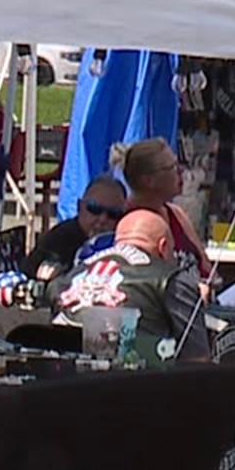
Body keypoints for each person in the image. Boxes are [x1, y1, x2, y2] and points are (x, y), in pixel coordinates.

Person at [51, 209, 210, 364]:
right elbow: (196, 362)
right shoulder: (170, 278)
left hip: (64, 382)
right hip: (132, 385)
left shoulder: (70, 276)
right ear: (164, 246)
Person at [114, 138, 211, 281]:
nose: (181, 171)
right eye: (172, 167)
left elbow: (206, 267)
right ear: (148, 181)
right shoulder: (128, 225)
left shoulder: (175, 213)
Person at [24, 175, 127, 275]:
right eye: (94, 208)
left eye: (113, 213)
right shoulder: (58, 240)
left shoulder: (125, 244)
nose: (102, 219)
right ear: (79, 206)